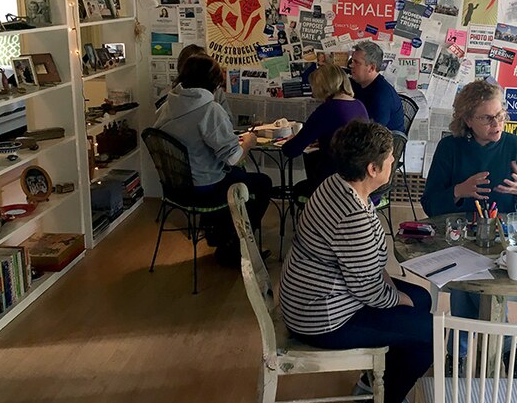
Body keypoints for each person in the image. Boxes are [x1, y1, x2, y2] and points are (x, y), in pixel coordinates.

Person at [279, 120, 433, 403]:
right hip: (322, 318)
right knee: (429, 338)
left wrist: (400, 294)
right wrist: (398, 298)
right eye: (390, 158)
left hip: (315, 298)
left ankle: (373, 382)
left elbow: (364, 271)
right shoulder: (352, 217)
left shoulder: (336, 183)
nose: (395, 162)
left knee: (423, 299)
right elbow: (370, 291)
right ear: (373, 168)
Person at [421, 79, 517, 369]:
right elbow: (429, 205)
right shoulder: (450, 147)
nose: (497, 123)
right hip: (460, 237)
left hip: (507, 243)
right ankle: (505, 345)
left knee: (475, 283)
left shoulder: (516, 147)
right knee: (469, 279)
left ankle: (459, 352)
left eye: (500, 115)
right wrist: (458, 191)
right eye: (487, 118)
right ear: (466, 119)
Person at [154, 56, 272, 266]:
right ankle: (234, 248)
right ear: (214, 82)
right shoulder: (210, 110)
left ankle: (221, 236)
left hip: (176, 188)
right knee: (261, 184)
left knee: (239, 177)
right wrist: (249, 142)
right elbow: (234, 157)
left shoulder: (168, 106)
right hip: (204, 187)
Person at [282, 64, 368, 199]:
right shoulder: (359, 105)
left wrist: (289, 141)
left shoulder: (327, 110)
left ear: (323, 86)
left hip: (332, 183)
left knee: (300, 188)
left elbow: (291, 150)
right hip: (358, 180)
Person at [349, 41, 405, 133]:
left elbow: (372, 135)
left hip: (380, 144)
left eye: (357, 63)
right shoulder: (357, 85)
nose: (351, 66)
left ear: (371, 68)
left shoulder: (382, 95)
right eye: (352, 61)